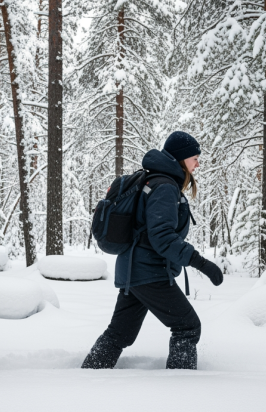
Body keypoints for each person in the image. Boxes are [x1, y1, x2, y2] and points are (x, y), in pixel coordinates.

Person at [81, 131, 224, 370]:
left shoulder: (153, 181)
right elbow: (162, 237)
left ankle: (89, 374)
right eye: (194, 157)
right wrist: (201, 263)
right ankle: (180, 387)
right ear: (181, 158)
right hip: (149, 272)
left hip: (133, 272)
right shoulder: (165, 186)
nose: (198, 163)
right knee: (187, 327)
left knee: (120, 333)